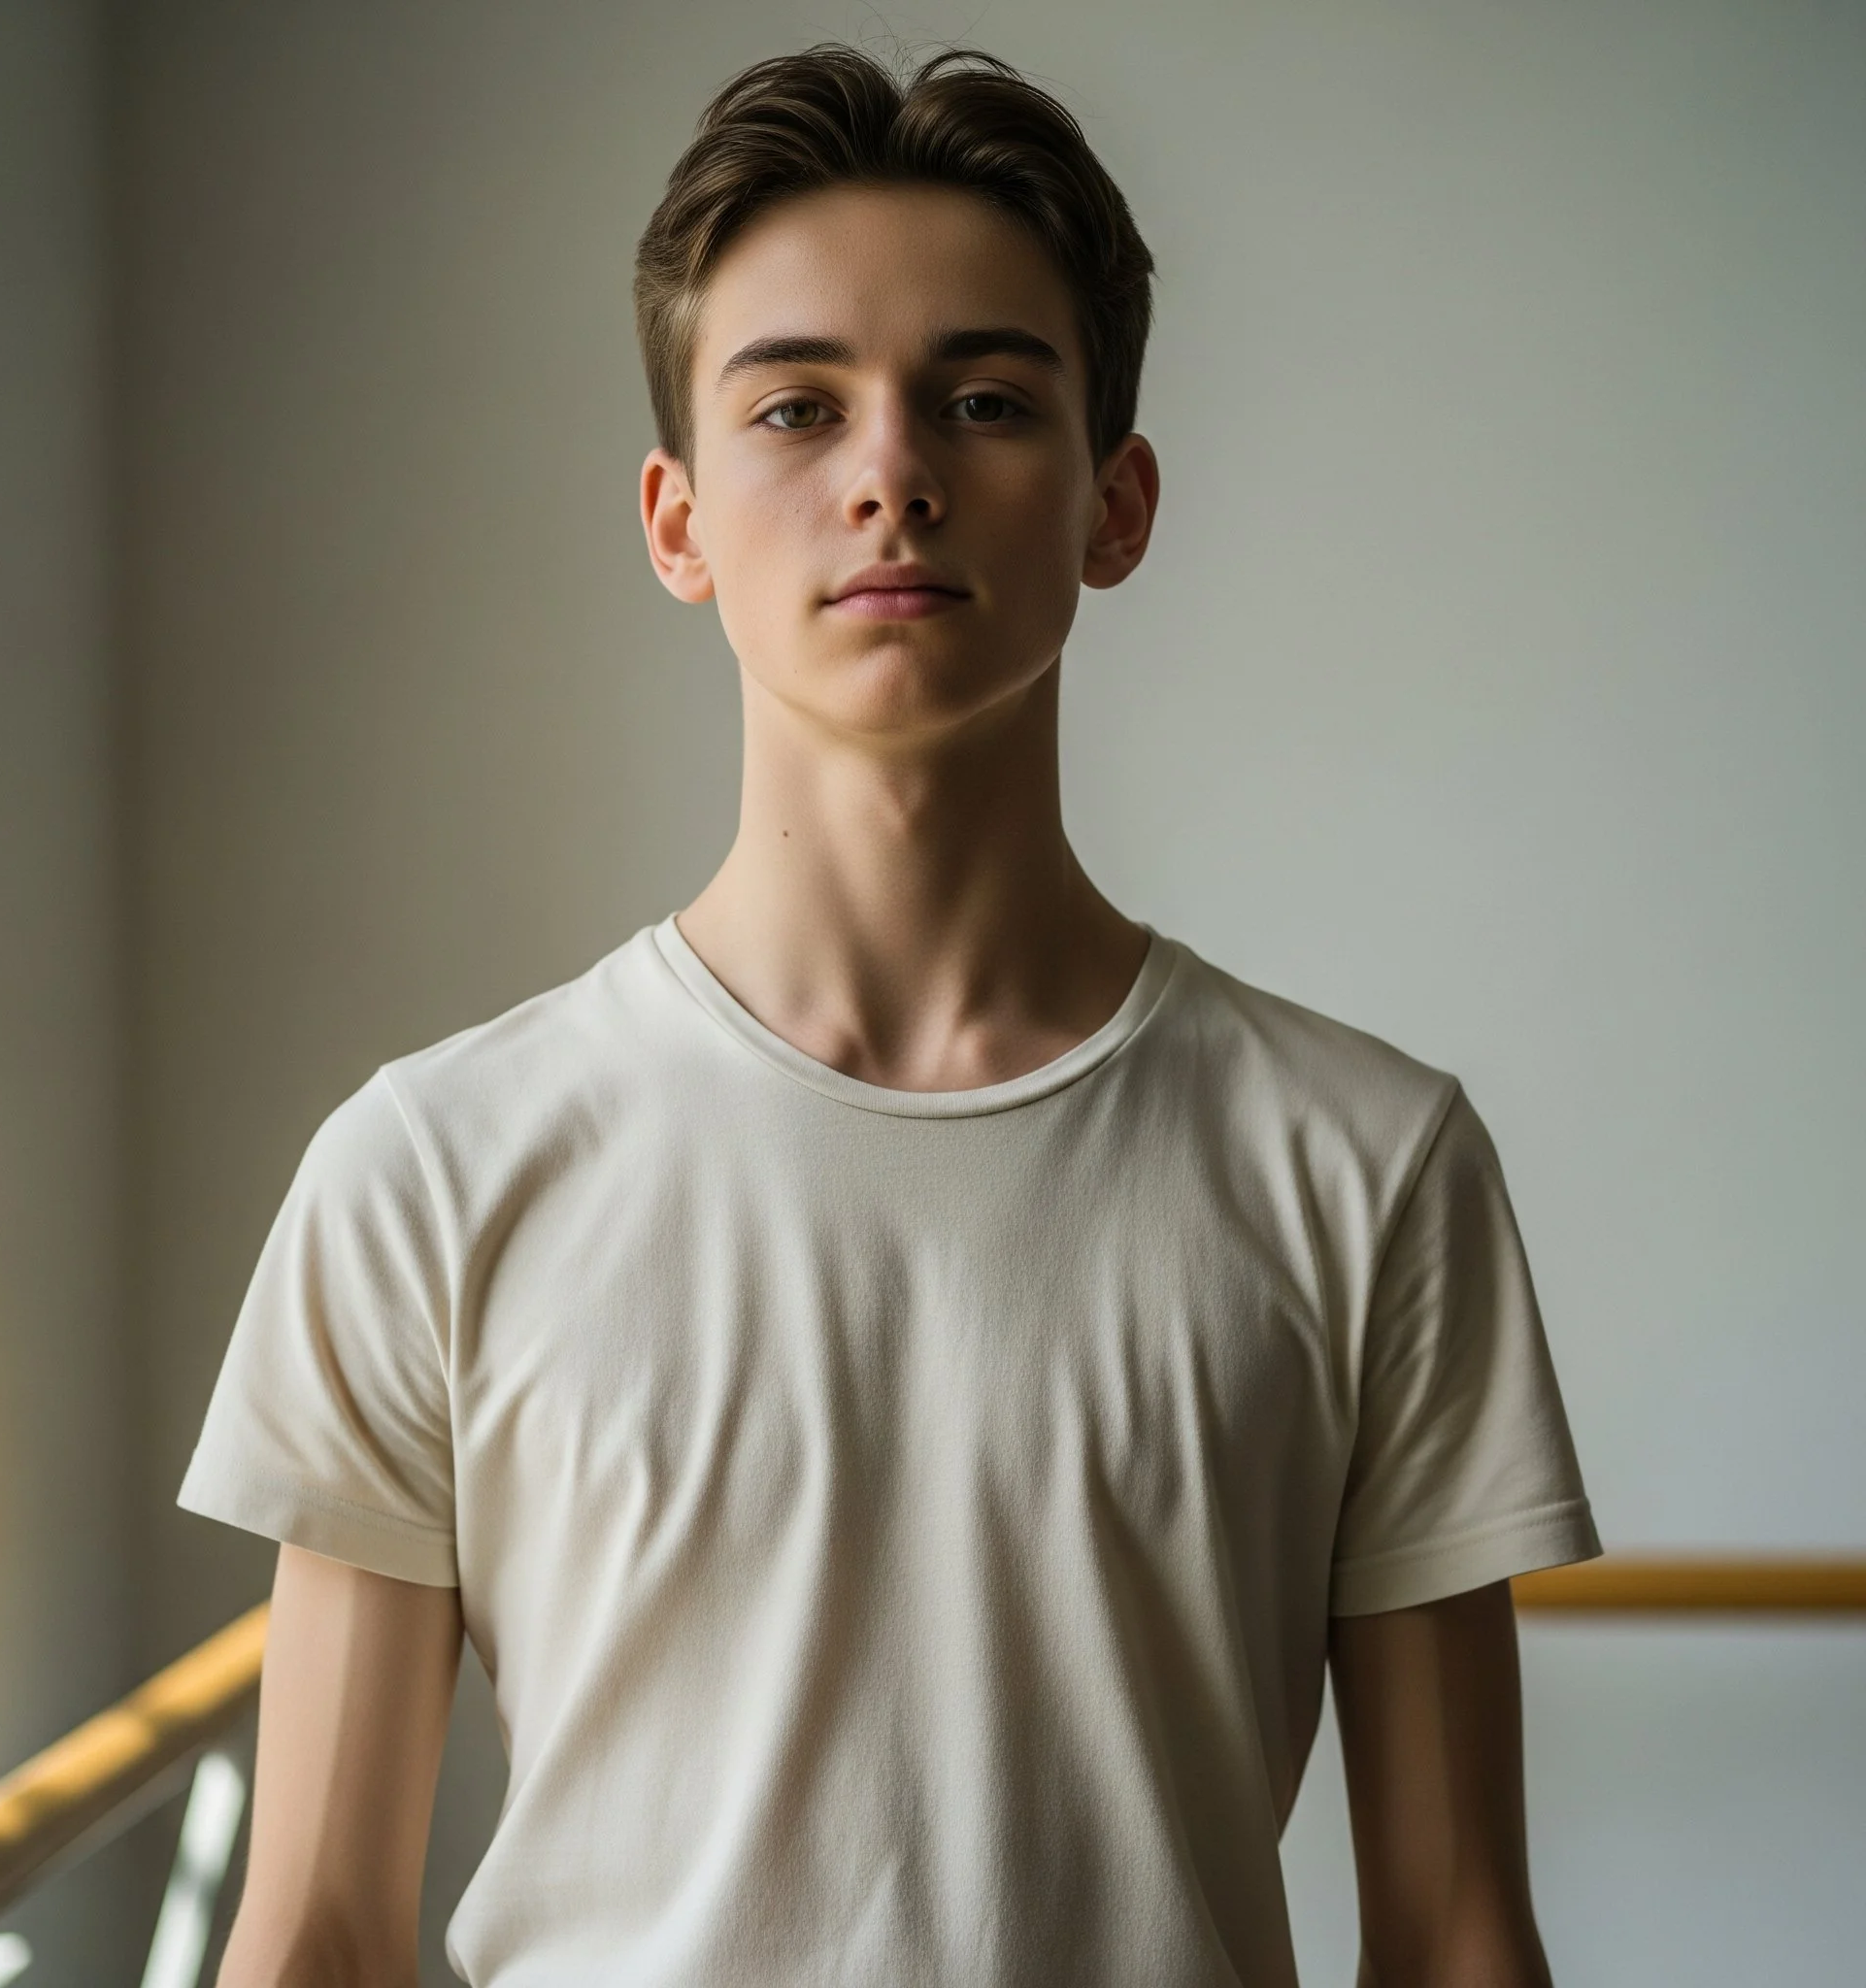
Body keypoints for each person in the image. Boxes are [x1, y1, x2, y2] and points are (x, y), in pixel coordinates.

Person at [183, 43, 1599, 1988]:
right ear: (677, 523)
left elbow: (1454, 1936)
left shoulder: (1367, 1167)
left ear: (1114, 504)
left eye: (986, 400)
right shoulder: (427, 1173)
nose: (892, 476)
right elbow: (315, 1939)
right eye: (796, 406)